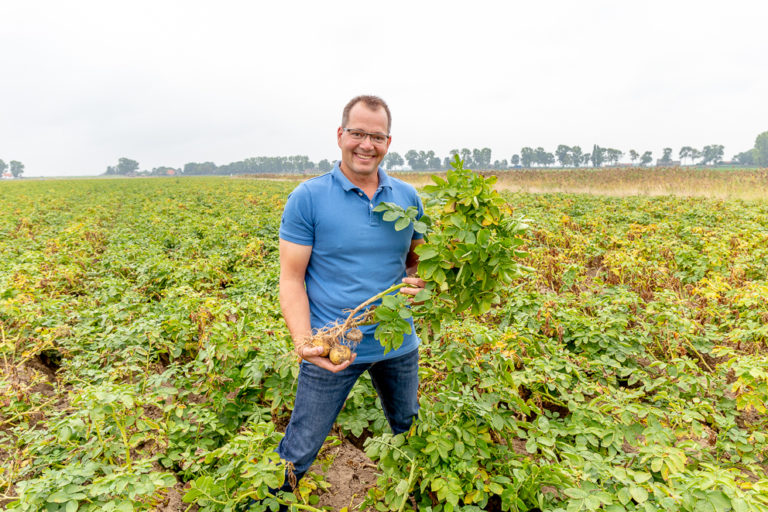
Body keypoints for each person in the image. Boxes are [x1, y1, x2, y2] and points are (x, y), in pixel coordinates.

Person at [275, 95, 425, 493]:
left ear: (388, 143)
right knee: (300, 448)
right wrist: (303, 343)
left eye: (377, 136)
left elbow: (418, 263)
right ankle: (273, 499)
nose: (366, 145)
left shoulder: (407, 198)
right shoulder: (308, 197)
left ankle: (419, 494)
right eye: (357, 133)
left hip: (397, 342)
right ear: (340, 135)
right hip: (332, 344)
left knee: (410, 430)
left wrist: (420, 279)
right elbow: (291, 279)